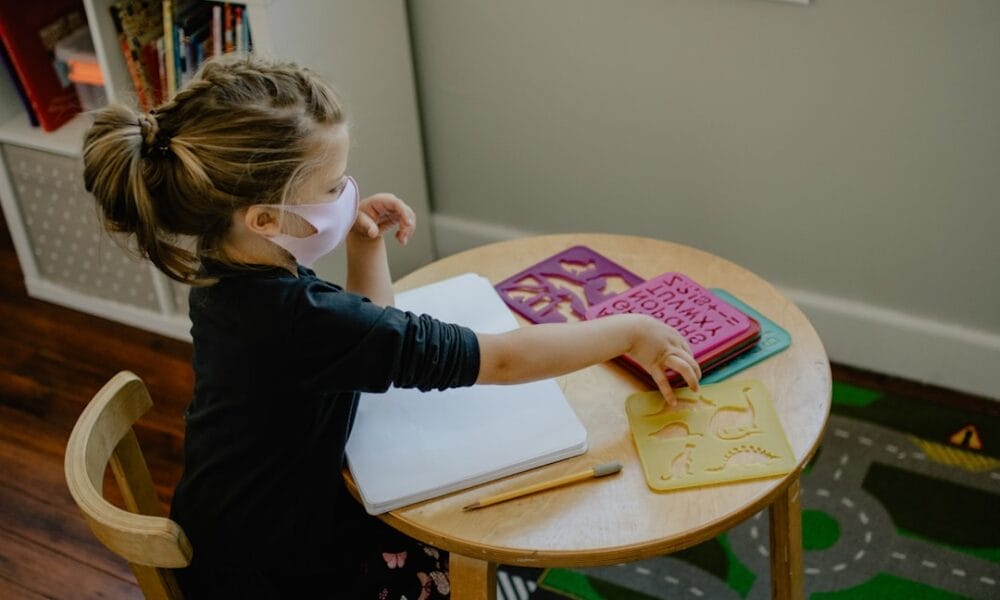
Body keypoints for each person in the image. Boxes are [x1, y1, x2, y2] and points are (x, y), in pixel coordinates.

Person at [81, 54, 701, 598]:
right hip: (283, 570)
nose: (348, 193)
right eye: (331, 187)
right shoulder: (299, 319)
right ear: (266, 219)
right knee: (465, 548)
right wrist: (625, 330)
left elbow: (362, 337)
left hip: (238, 529)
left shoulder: (226, 274)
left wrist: (361, 244)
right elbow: (504, 360)